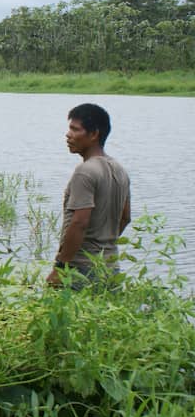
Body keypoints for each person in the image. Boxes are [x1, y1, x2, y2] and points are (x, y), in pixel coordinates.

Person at [47, 103, 131, 289]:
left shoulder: (85, 172)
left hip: (80, 271)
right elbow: (125, 217)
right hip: (110, 270)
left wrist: (61, 268)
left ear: (94, 134)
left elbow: (79, 223)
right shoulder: (120, 170)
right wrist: (103, 245)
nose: (68, 135)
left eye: (75, 129)